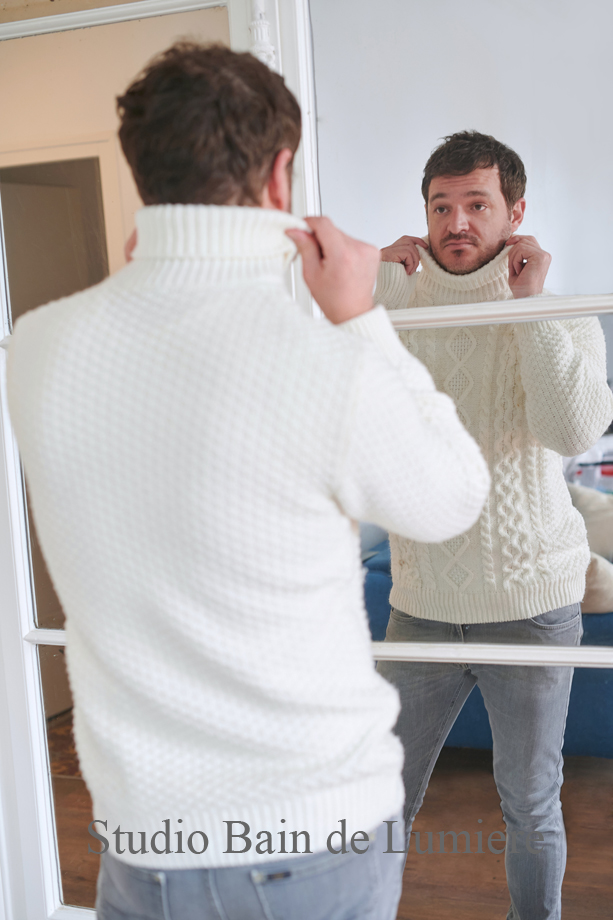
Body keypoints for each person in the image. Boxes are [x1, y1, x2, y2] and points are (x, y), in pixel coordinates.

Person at [6, 47, 490, 920]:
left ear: (142, 168)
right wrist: (360, 320)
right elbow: (452, 496)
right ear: (279, 174)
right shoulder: (322, 358)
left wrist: (149, 272)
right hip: (309, 841)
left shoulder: (38, 347)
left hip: (142, 845)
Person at [375, 130, 613, 920]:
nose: (455, 222)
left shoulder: (561, 309)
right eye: (440, 206)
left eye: (476, 204)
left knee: (530, 804)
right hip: (424, 599)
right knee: (380, 798)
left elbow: (570, 430)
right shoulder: (392, 306)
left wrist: (531, 306)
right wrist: (367, 297)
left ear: (514, 212)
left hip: (532, 603)